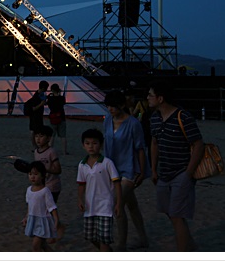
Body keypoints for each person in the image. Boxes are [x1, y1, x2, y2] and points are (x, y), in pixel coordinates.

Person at [149, 80, 204, 251]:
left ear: (160, 98)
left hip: (181, 171)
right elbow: (154, 143)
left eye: (150, 95)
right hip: (163, 172)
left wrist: (189, 172)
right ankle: (190, 246)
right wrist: (153, 169)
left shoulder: (183, 117)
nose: (147, 98)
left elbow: (198, 144)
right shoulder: (155, 118)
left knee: (176, 214)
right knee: (170, 212)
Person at [103, 90, 150, 251]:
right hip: (113, 168)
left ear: (121, 105)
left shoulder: (133, 123)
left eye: (113, 106)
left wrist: (142, 172)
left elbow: (140, 148)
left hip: (130, 168)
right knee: (132, 205)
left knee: (118, 203)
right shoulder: (108, 120)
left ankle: (121, 244)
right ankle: (143, 239)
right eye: (108, 106)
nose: (110, 109)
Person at [77, 128, 122, 252]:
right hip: (90, 206)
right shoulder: (82, 165)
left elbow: (117, 183)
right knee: (90, 236)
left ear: (101, 145)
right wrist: (80, 199)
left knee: (104, 239)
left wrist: (118, 203)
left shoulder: (107, 163)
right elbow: (81, 184)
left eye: (94, 143)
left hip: (105, 206)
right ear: (83, 145)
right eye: (87, 143)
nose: (91, 146)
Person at [21, 161, 60, 252]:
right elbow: (30, 206)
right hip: (33, 220)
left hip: (43, 221)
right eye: (30, 174)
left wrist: (56, 220)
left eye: (35, 174)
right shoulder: (28, 190)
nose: (32, 177)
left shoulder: (45, 191)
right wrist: (26, 217)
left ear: (42, 176)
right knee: (43, 245)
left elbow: (52, 207)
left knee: (36, 245)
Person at [33, 126, 62, 203]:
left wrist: (44, 169)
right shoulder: (36, 152)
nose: (38, 139)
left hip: (52, 186)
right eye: (36, 136)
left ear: (48, 138)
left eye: (41, 136)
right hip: (42, 185)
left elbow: (58, 170)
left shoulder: (51, 152)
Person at [46, 83, 69, 155]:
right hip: (61, 117)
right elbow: (63, 104)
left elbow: (48, 104)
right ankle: (64, 151)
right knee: (63, 136)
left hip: (53, 117)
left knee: (52, 135)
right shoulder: (62, 98)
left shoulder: (50, 98)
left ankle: (49, 150)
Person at [26, 81, 48, 150]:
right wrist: (41, 104)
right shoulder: (36, 97)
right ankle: (35, 146)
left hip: (38, 116)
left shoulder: (39, 95)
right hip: (35, 116)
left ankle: (36, 146)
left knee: (35, 131)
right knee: (34, 132)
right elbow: (34, 108)